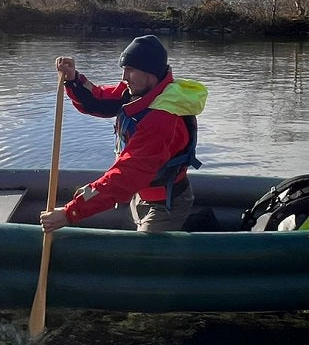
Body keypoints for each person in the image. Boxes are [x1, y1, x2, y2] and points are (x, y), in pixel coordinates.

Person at [38, 34, 207, 234]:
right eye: (124, 69)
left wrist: (70, 213)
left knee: (141, 258)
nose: (124, 77)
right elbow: (99, 99)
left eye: (130, 70)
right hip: (141, 195)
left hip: (165, 205)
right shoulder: (138, 93)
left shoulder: (162, 118)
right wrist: (74, 80)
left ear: (150, 74)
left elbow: (128, 173)